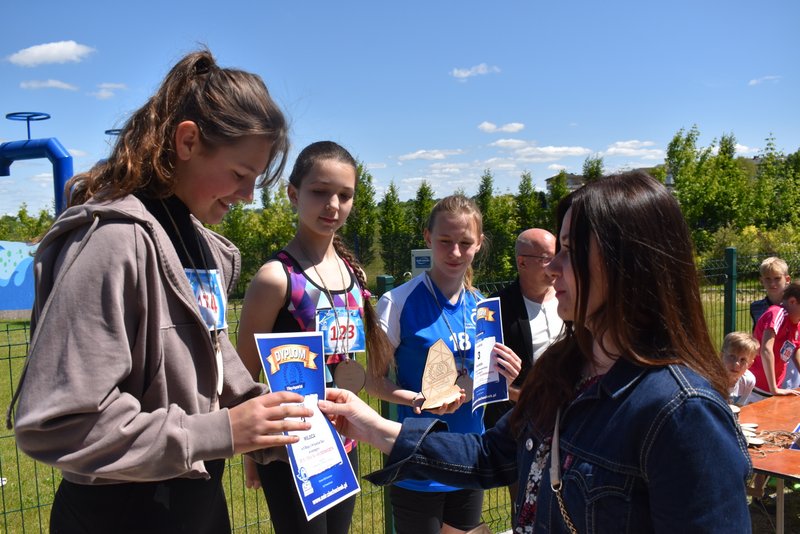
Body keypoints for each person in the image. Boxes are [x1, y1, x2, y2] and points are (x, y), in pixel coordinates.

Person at [321, 171, 752, 533]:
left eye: (569, 252)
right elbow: (488, 455)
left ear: (629, 264)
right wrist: (370, 425)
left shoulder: (684, 414)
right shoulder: (563, 370)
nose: (552, 267)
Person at [7, 49, 314, 534]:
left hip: (197, 506)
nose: (247, 196)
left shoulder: (199, 244)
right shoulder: (110, 242)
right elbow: (58, 424)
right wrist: (220, 431)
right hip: (121, 514)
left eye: (256, 180)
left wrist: (282, 418)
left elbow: (214, 368)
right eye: (240, 175)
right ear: (188, 141)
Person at [237, 141, 390, 534]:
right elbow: (242, 375)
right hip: (291, 448)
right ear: (293, 194)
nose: (333, 205)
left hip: (343, 442)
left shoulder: (353, 274)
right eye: (320, 192)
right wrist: (251, 452)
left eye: (345, 195)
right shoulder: (276, 279)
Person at [365, 194, 521, 534]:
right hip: (419, 457)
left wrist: (505, 378)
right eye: (445, 241)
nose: (455, 252)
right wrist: (417, 399)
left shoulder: (483, 307)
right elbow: (373, 381)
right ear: (427, 238)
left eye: (465, 243)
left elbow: (482, 384)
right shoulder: (397, 301)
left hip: (470, 455)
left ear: (479, 243)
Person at [483, 228, 563, 513]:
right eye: (547, 259)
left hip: (569, 421)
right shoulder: (495, 309)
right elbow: (488, 382)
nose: (556, 266)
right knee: (528, 510)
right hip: (520, 427)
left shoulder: (569, 297)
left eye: (559, 256)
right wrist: (528, 397)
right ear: (522, 262)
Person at [747, 283, 800, 402]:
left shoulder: (796, 324)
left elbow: (796, 349)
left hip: (773, 389)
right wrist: (774, 388)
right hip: (755, 388)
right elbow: (766, 349)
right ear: (792, 302)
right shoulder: (777, 313)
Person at [749, 257, 791, 329]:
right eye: (768, 279)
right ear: (761, 281)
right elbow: (756, 334)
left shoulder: (794, 306)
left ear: (787, 279)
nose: (772, 283)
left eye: (777, 278)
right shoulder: (756, 307)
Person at [722, 331, 759, 406]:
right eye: (732, 356)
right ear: (721, 356)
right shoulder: (710, 380)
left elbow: (739, 407)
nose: (736, 364)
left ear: (750, 364)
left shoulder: (748, 381)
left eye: (743, 360)